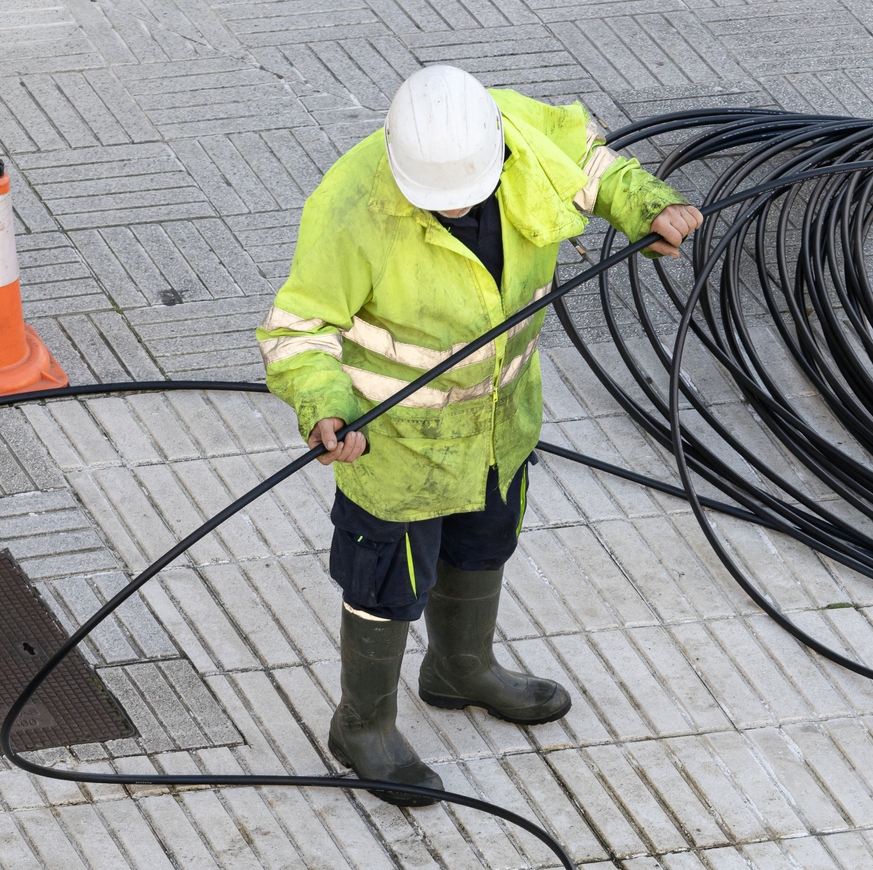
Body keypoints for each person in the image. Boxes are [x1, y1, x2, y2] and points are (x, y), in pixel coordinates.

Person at [256, 67, 703, 806]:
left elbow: (597, 169)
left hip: (499, 422)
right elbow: (297, 331)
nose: (457, 202)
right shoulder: (348, 206)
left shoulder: (519, 132)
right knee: (387, 582)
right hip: (396, 445)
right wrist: (324, 409)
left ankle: (460, 667)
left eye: (467, 185)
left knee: (484, 543)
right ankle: (361, 727)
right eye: (440, 194)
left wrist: (649, 207)